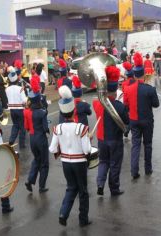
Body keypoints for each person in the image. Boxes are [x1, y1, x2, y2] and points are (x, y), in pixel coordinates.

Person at [49, 85, 92, 227]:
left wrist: (64, 149)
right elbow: (86, 150)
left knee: (71, 188)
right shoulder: (81, 128)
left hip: (66, 163)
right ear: (74, 111)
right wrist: (86, 140)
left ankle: (63, 213)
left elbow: (52, 148)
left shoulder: (58, 128)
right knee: (83, 191)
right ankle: (83, 220)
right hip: (79, 163)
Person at [93, 66, 129, 196]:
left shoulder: (97, 104)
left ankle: (100, 184)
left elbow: (97, 98)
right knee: (114, 164)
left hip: (101, 139)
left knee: (103, 162)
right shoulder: (120, 106)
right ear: (115, 90)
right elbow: (127, 121)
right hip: (114, 140)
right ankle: (114, 189)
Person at [124, 52, 160, 179]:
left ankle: (134, 171)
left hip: (133, 120)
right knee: (148, 144)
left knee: (135, 145)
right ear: (144, 74)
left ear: (134, 75)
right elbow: (156, 105)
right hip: (147, 121)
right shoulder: (150, 89)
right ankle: (148, 169)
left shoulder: (127, 89)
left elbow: (126, 104)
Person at [24, 75, 50, 193]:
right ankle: (42, 186)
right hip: (41, 139)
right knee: (44, 163)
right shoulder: (42, 112)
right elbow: (45, 128)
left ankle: (30, 180)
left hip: (32, 139)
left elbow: (26, 127)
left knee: (36, 160)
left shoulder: (27, 112)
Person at [6, 67, 27, 148]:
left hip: (12, 110)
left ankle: (11, 140)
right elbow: (24, 100)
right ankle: (22, 144)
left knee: (15, 125)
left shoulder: (7, 89)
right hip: (20, 109)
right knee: (22, 127)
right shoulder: (20, 89)